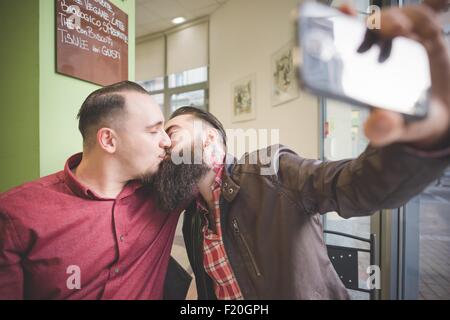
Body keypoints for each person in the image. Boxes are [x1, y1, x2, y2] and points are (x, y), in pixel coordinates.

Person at [151, 1, 450, 299]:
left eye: (172, 133)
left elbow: (355, 187)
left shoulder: (271, 172)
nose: (164, 144)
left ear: (209, 140)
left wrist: (419, 143)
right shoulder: (193, 218)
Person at [0, 81, 187, 299]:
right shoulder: (16, 213)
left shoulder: (166, 189)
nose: (166, 141)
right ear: (108, 140)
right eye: (154, 131)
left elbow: (222, 176)